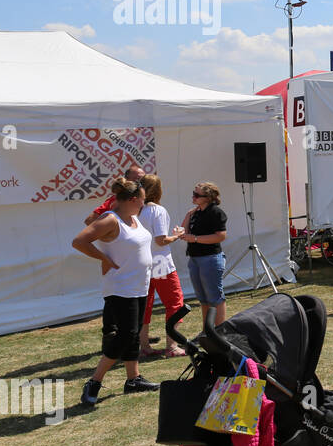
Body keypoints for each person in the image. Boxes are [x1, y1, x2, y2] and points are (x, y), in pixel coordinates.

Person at [72, 178, 160, 407]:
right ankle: (94, 381)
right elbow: (79, 241)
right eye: (142, 199)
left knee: (133, 333)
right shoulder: (111, 219)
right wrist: (104, 258)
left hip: (139, 285)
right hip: (121, 288)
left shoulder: (133, 218)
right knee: (125, 335)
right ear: (133, 199)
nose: (144, 202)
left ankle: (133, 379)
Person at [137, 174, 187, 358]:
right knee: (175, 303)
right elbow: (161, 240)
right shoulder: (157, 210)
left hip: (142, 263)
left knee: (145, 305)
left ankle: (144, 346)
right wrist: (176, 236)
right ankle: (172, 346)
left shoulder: (136, 210)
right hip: (160, 263)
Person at [180, 181, 228, 328]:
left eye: (197, 195)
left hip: (210, 258)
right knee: (203, 299)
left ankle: (220, 331)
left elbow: (220, 236)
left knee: (215, 297)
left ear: (207, 197)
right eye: (193, 194)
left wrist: (195, 239)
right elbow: (183, 232)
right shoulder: (196, 212)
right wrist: (188, 215)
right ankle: (207, 330)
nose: (193, 197)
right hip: (195, 258)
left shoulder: (216, 212)